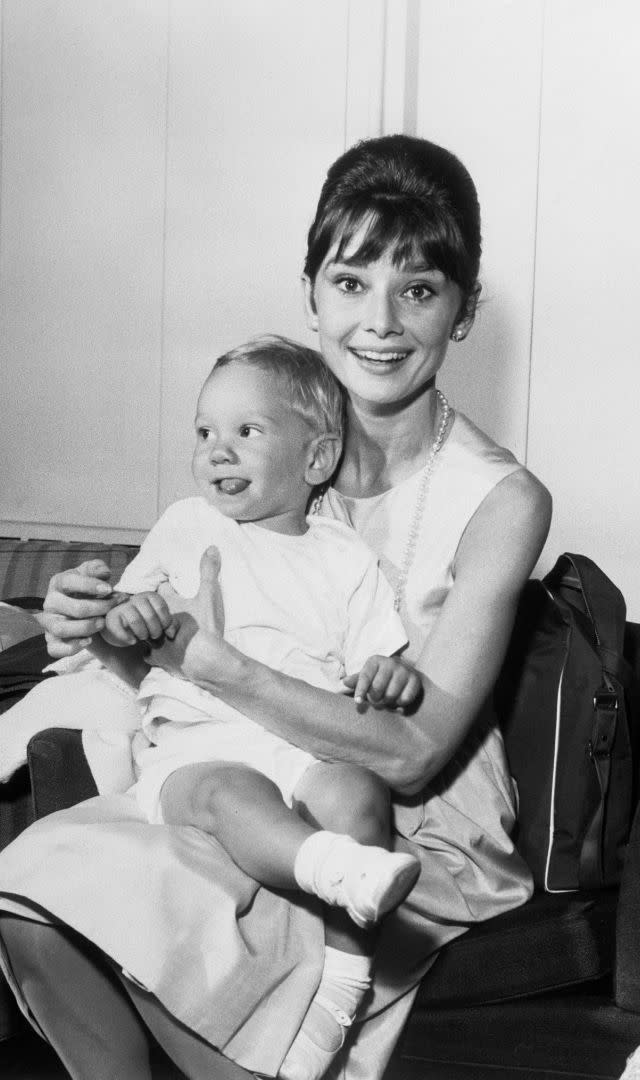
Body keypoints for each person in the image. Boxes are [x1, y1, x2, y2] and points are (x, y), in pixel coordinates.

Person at [0, 133, 552, 1080]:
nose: (378, 323)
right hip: (228, 765)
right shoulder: (268, 433)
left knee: (175, 942)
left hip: (387, 815)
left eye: (418, 290)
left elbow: (412, 756)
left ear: (462, 312)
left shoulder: (503, 499)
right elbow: (176, 629)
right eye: (348, 283)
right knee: (32, 909)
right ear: (310, 293)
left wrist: (212, 663)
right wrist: (90, 623)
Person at [101, 334, 422, 1077]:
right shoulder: (188, 525)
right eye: (205, 432)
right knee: (230, 792)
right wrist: (128, 618)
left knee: (359, 794)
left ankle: (341, 994)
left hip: (301, 740)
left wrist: (388, 677)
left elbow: (381, 663)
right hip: (195, 741)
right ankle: (329, 867)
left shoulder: (343, 557)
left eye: (246, 432)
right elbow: (126, 619)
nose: (217, 451)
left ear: (315, 460)